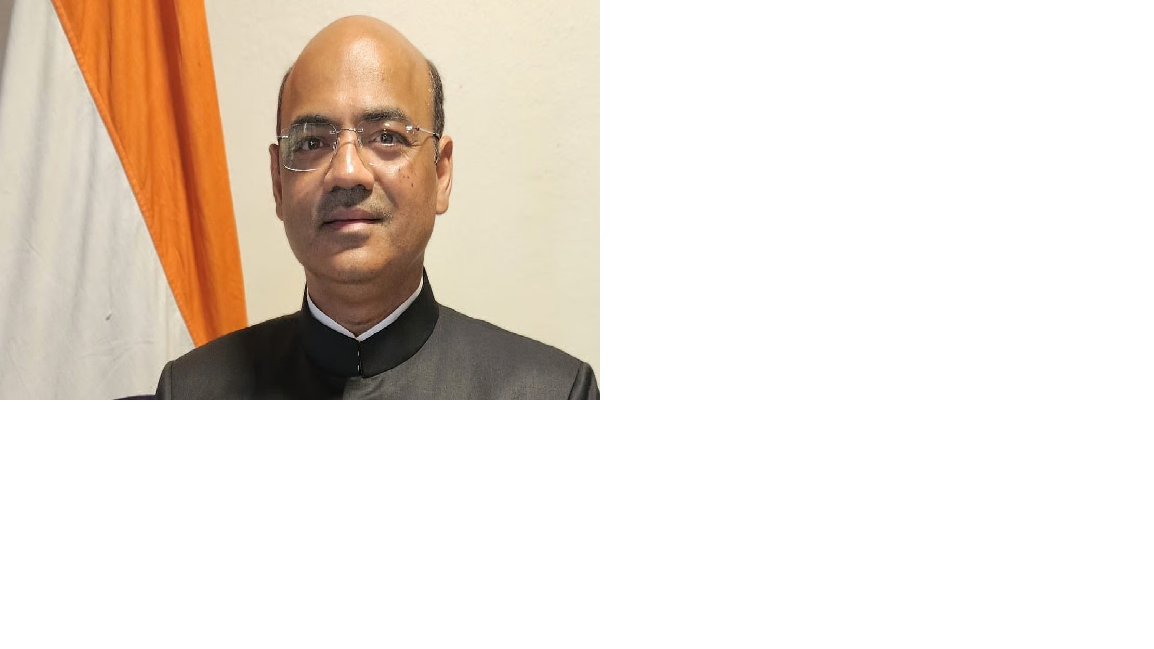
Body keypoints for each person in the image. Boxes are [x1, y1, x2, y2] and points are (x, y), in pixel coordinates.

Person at [154, 15, 598, 399]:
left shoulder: (552, 394)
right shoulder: (191, 393)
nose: (347, 172)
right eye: (312, 142)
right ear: (278, 183)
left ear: (441, 173)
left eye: (387, 136)